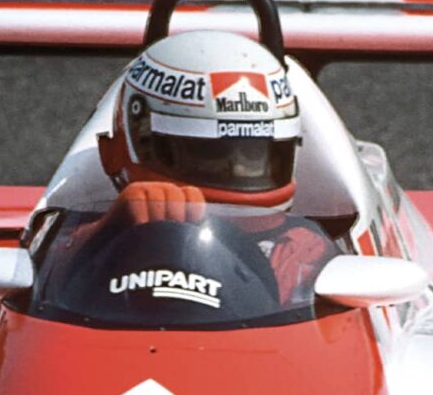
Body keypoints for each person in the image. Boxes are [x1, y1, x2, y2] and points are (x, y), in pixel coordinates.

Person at [95, 29, 332, 301]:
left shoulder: (300, 252)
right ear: (112, 154)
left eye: (254, 156)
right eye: (209, 155)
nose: (239, 171)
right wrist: (105, 233)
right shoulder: (83, 237)